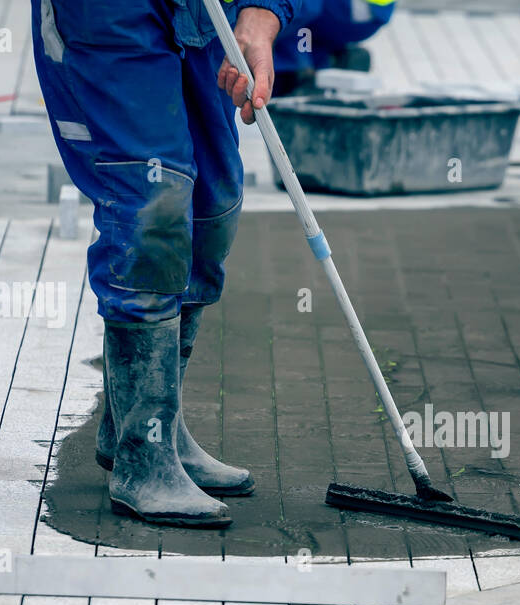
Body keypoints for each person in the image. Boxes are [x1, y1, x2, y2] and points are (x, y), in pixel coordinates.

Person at [30, 0, 303, 528]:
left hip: (204, 14)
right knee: (153, 203)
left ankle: (155, 427)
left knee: (212, 206)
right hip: (108, 13)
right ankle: (143, 460)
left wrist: (262, 14)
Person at [273, 0, 396, 96]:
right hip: (377, 15)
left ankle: (298, 73)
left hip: (348, 7)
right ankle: (327, 64)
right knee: (309, 29)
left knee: (289, 9)